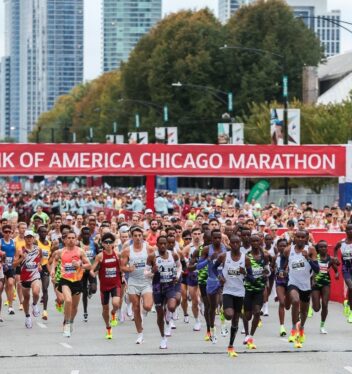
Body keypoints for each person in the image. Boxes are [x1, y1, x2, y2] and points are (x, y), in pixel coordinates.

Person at [280, 230, 319, 348]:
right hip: (293, 282)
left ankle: (301, 328)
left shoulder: (311, 250)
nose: (301, 239)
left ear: (306, 238)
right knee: (295, 301)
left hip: (306, 285)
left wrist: (308, 258)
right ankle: (293, 329)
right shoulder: (288, 250)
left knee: (304, 311)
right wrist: (282, 269)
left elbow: (317, 269)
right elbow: (283, 259)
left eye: (303, 237)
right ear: (294, 238)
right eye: (298, 237)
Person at [216, 234, 252, 357]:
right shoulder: (224, 256)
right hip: (227, 291)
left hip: (240, 292)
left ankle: (231, 346)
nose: (235, 245)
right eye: (233, 243)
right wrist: (219, 277)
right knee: (229, 315)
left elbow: (251, 278)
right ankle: (224, 310)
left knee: (235, 320)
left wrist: (245, 273)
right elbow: (213, 268)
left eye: (238, 243)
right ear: (230, 244)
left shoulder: (245, 259)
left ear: (240, 244)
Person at [50, 230, 91, 337]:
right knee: (68, 300)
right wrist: (53, 270)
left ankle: (71, 321)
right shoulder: (61, 251)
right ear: (65, 240)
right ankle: (67, 324)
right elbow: (54, 260)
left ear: (76, 239)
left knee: (75, 306)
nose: (71, 240)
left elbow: (89, 265)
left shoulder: (80, 251)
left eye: (73, 238)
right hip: (65, 280)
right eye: (69, 238)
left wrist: (79, 265)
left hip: (77, 281)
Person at [120, 226, 155, 344]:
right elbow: (122, 266)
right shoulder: (127, 250)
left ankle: (144, 311)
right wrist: (129, 269)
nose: (138, 238)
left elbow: (155, 264)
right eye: (135, 236)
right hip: (133, 282)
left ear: (142, 236)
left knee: (148, 306)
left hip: (146, 282)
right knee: (135, 308)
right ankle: (140, 334)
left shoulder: (149, 249)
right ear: (132, 237)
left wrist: (152, 272)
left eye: (140, 235)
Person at [147, 235, 180, 349]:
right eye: (160, 244)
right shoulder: (152, 256)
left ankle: (169, 320)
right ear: (156, 245)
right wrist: (152, 271)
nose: (162, 245)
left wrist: (177, 276)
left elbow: (179, 267)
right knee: (160, 314)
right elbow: (145, 273)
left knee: (171, 306)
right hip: (157, 287)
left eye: (164, 243)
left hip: (170, 285)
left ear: (167, 244)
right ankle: (163, 338)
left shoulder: (173, 255)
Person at [194, 229, 227, 344]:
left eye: (219, 237)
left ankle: (223, 325)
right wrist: (209, 259)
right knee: (212, 307)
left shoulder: (225, 248)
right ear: (212, 239)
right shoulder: (207, 249)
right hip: (211, 281)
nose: (217, 240)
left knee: (222, 302)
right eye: (215, 238)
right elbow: (198, 267)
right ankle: (212, 330)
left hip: (223, 281)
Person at [90, 232, 121, 340]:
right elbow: (93, 269)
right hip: (104, 287)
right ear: (102, 244)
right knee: (105, 309)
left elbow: (122, 267)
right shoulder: (100, 256)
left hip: (115, 284)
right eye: (106, 242)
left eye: (110, 242)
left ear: (113, 244)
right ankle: (108, 327)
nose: (108, 244)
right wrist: (93, 274)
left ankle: (114, 313)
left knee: (116, 303)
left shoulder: (117, 254)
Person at [242, 234, 270, 349]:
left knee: (257, 311)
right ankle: (246, 331)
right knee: (248, 315)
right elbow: (243, 272)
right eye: (252, 241)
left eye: (257, 241)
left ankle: (250, 336)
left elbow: (268, 270)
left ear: (260, 242)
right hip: (248, 289)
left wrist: (265, 274)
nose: (254, 243)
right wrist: (248, 276)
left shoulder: (265, 255)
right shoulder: (246, 256)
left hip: (259, 289)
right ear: (249, 242)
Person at [14, 230, 42, 328]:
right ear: (24, 238)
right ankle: (27, 316)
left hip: (35, 275)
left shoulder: (38, 249)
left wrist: (39, 265)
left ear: (33, 238)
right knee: (26, 298)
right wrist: (22, 258)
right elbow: (13, 264)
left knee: (36, 292)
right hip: (24, 277)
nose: (29, 239)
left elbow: (40, 259)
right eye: (27, 237)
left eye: (31, 237)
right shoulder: (20, 250)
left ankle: (34, 304)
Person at [312, 240, 339, 334]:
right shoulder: (315, 257)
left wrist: (336, 273)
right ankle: (313, 304)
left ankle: (322, 325)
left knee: (325, 304)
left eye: (325, 247)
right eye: (321, 247)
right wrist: (312, 280)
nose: (323, 248)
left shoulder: (330, 259)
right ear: (318, 249)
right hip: (315, 284)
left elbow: (336, 268)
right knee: (316, 308)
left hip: (326, 283)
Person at [79, 226, 99, 322]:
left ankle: (91, 291)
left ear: (90, 235)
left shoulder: (94, 244)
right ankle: (85, 311)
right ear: (82, 235)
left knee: (94, 289)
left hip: (91, 270)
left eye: (88, 234)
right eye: (84, 234)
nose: (86, 235)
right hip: (82, 271)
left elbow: (99, 258)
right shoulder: (78, 245)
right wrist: (79, 267)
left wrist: (96, 270)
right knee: (84, 292)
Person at [334, 224, 352, 323]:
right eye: (348, 230)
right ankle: (351, 311)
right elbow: (335, 249)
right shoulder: (341, 243)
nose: (350, 231)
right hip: (346, 269)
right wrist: (336, 257)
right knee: (351, 287)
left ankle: (348, 302)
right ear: (345, 231)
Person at [0, 225, 16, 314]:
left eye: (9, 232)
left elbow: (17, 254)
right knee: (1, 288)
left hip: (10, 267)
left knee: (10, 283)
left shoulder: (13, 242)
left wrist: (16, 262)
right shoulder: (0, 241)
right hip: (2, 267)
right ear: (3, 232)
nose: (7, 233)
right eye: (6, 232)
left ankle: (10, 307)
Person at [274, 238, 289, 337]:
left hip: (290, 282)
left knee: (288, 306)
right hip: (279, 282)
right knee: (282, 303)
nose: (283, 247)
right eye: (281, 246)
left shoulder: (292, 256)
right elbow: (271, 269)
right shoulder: (275, 257)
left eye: (285, 246)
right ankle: (282, 326)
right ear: (277, 247)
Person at [37, 225, 51, 320]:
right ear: (38, 233)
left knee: (45, 288)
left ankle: (45, 311)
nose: (43, 233)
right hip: (36, 267)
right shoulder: (35, 242)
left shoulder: (49, 243)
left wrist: (51, 270)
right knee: (36, 290)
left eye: (45, 232)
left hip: (45, 267)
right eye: (41, 232)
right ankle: (34, 304)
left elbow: (50, 258)